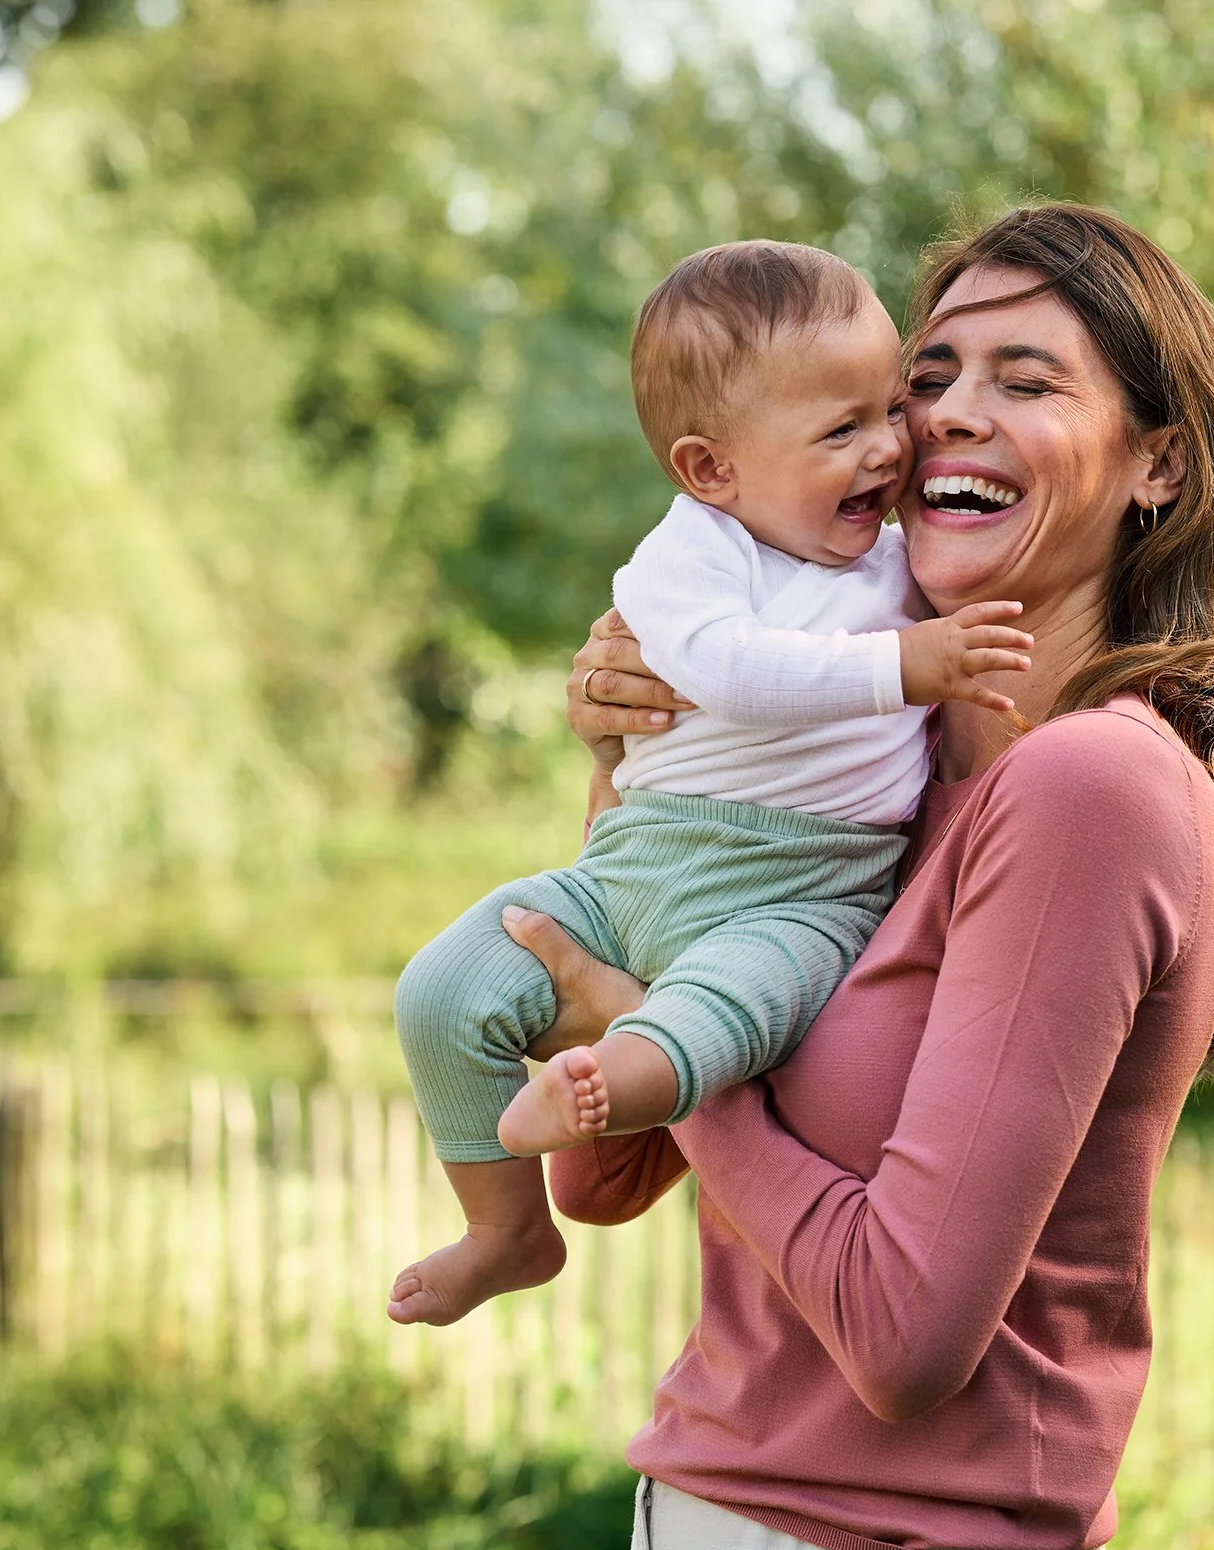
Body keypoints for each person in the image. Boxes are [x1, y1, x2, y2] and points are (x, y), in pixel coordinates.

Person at [506, 205, 1214, 1550]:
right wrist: (643, 783)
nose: (947, 413)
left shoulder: (1088, 789)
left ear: (1158, 463)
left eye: (1027, 378)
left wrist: (645, 1030)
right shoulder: (879, 776)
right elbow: (599, 1171)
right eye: (929, 376)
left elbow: (903, 1335)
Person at [387, 240, 1036, 1327]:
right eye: (843, 429)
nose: (891, 446)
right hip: (635, 865)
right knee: (438, 990)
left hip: (805, 888)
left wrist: (924, 652)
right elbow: (734, 673)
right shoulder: (692, 555)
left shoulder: (907, 565)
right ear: (711, 470)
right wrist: (905, 665)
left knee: (720, 1010)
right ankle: (504, 1228)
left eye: (890, 408)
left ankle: (616, 1076)